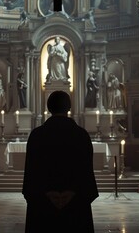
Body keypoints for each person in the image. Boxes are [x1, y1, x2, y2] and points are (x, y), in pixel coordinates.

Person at [22, 91, 99, 233]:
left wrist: (47, 193)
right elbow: (86, 171)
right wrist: (72, 192)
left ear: (48, 108)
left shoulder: (37, 135)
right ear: (69, 108)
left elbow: (31, 172)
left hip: (43, 206)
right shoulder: (81, 135)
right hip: (76, 205)